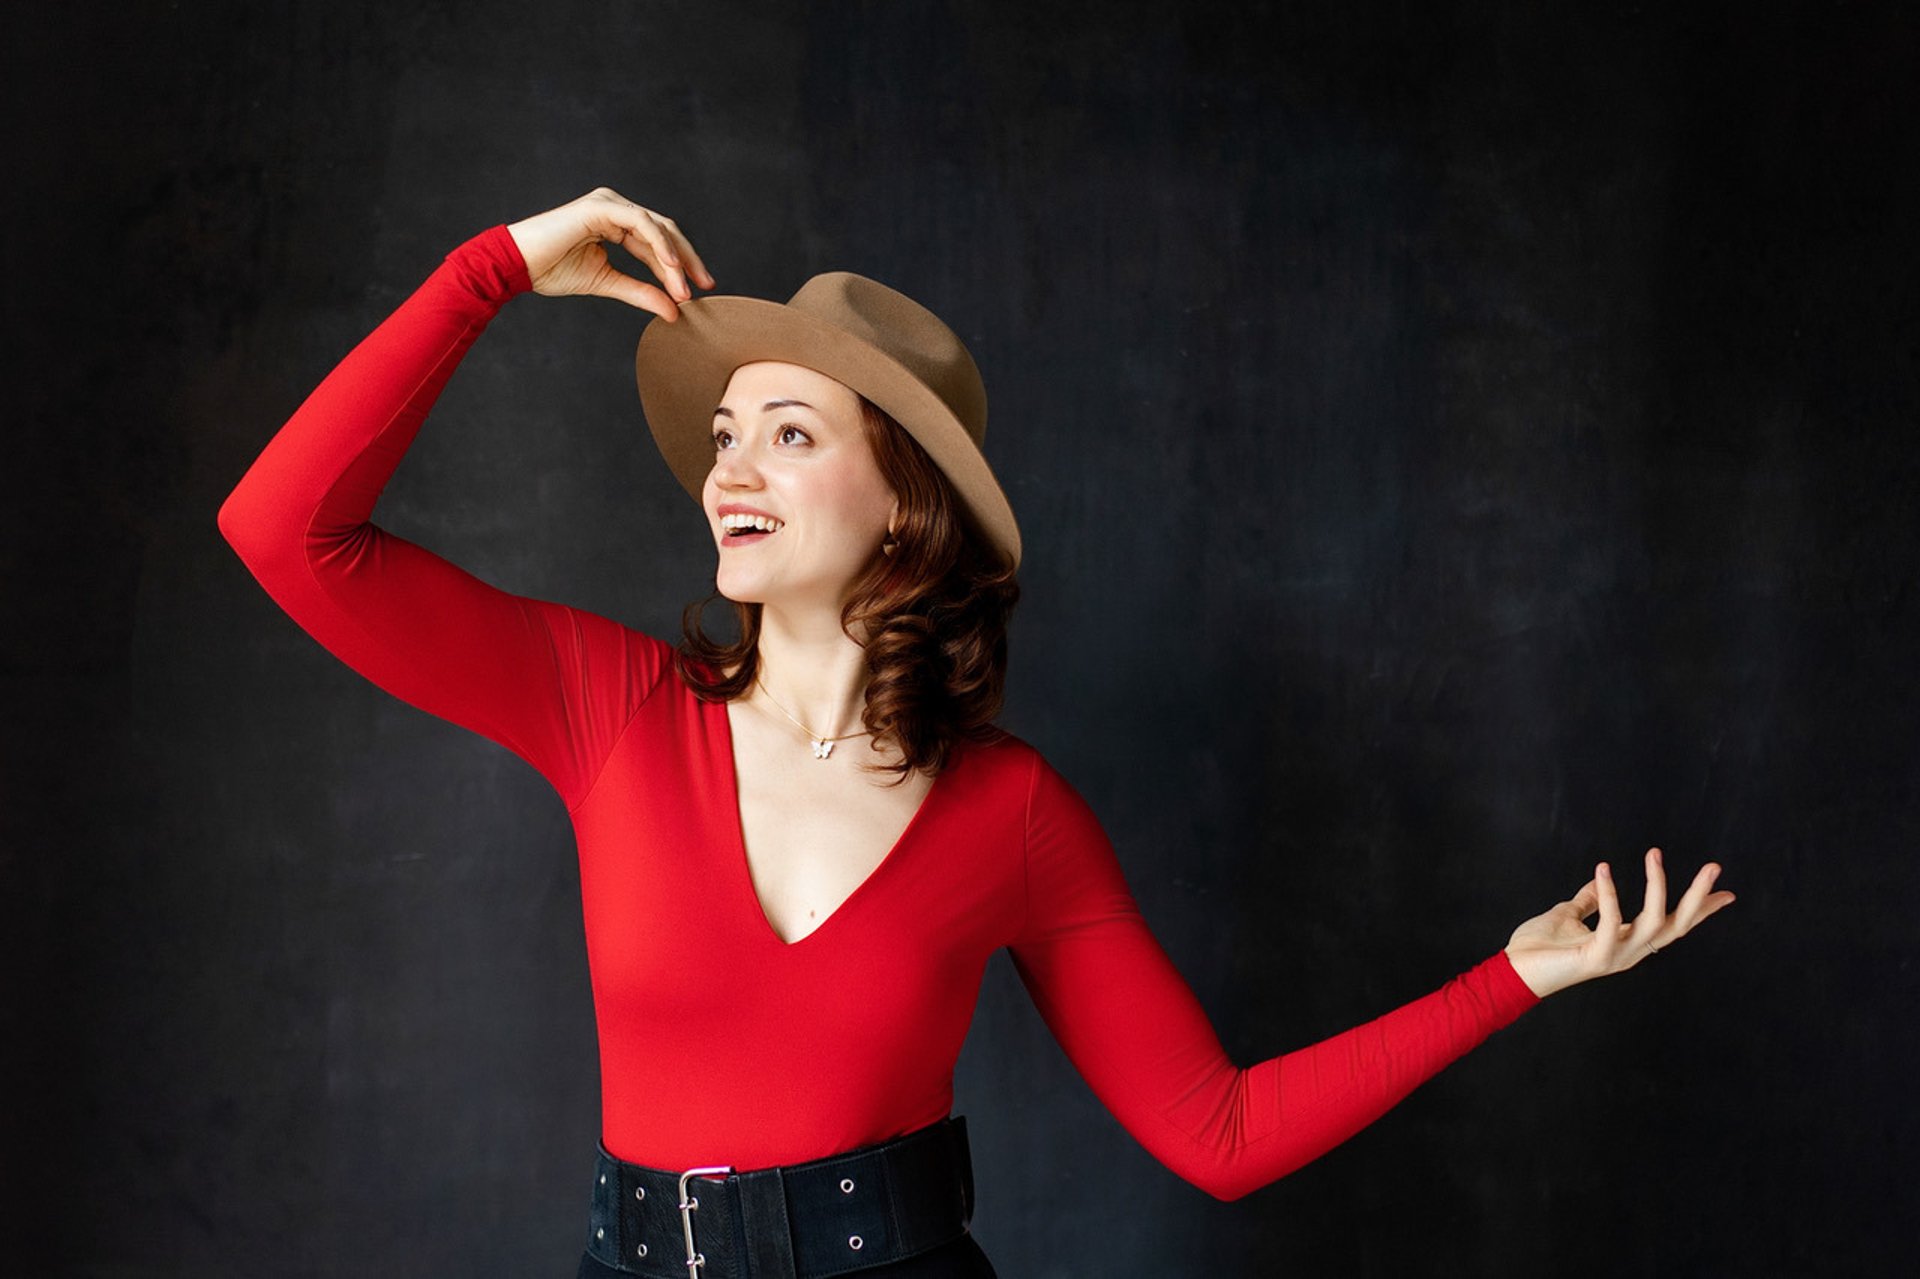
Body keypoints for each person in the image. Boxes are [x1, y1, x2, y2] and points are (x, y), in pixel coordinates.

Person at [217, 187, 1736, 1279]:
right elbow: (287, 533)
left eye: (791, 434)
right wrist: (494, 267)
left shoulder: (1012, 815)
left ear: (906, 510)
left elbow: (1217, 1133)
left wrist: (1518, 975)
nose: (730, 466)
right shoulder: (607, 706)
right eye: (725, 433)